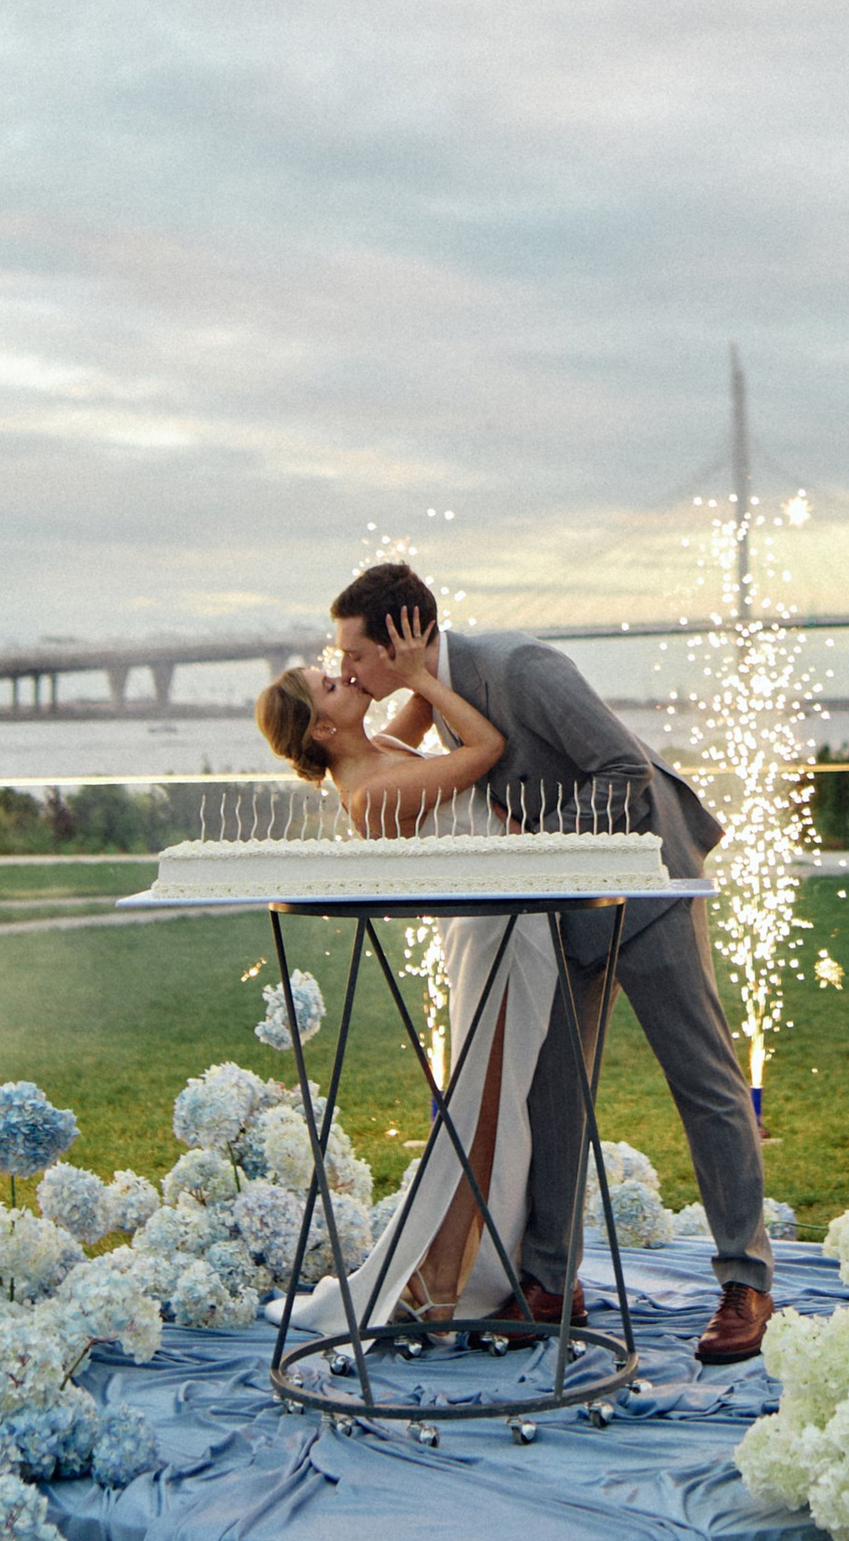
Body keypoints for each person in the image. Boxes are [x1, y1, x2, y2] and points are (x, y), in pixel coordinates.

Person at [325, 561, 774, 1367]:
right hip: (556, 907)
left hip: (647, 881)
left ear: (400, 636)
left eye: (355, 655)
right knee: (556, 1093)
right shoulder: (438, 691)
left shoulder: (521, 667)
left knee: (702, 1080)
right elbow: (387, 754)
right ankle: (551, 1283)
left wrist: (542, 857)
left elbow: (623, 772)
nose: (346, 671)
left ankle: (746, 1281)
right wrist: (414, 686)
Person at [254, 614, 555, 1330]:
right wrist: (415, 674)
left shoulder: (383, 748)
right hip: (493, 933)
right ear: (323, 730)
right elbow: (487, 747)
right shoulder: (372, 794)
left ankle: (452, 1274)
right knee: (481, 1109)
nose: (344, 677)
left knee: (495, 1104)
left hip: (514, 922)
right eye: (331, 684)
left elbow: (419, 703)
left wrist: (398, 658)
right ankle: (441, 1283)